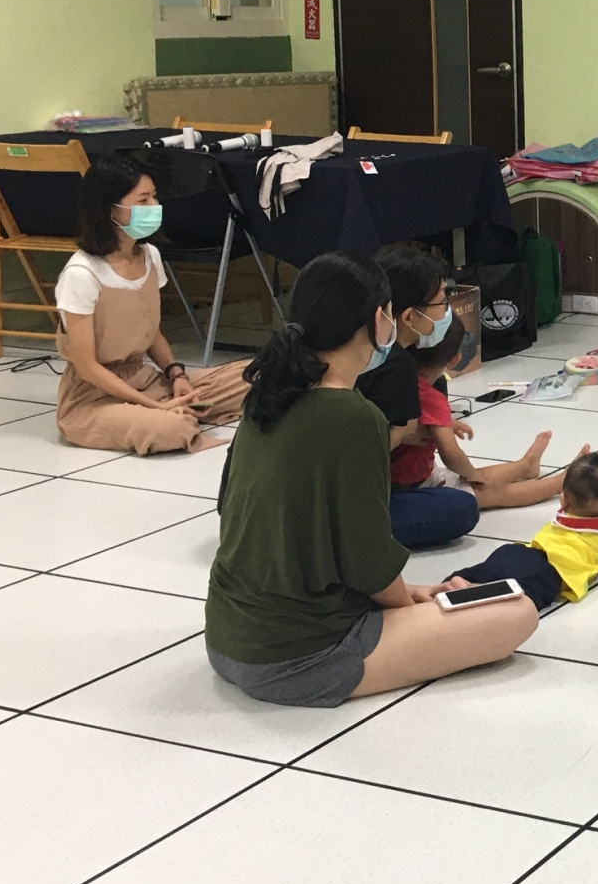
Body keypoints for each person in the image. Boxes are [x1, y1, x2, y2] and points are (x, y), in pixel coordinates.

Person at [205, 252, 535, 707]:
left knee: (447, 598)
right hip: (298, 656)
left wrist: (412, 592)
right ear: (380, 320)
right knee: (518, 612)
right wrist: (409, 608)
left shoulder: (270, 391)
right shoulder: (352, 414)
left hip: (225, 636)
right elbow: (367, 556)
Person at [55, 154, 246, 454]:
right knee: (169, 428)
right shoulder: (81, 274)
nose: (154, 206)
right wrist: (153, 406)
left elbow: (151, 331)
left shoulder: (150, 256)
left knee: (256, 375)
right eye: (142, 200)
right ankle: (171, 415)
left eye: (154, 197)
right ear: (109, 210)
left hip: (146, 380)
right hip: (93, 398)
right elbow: (87, 367)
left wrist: (176, 376)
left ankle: (175, 408)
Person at [357, 243, 480, 547]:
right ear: (410, 317)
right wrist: (404, 433)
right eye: (442, 302)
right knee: (462, 507)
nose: (448, 310)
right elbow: (367, 457)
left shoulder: (365, 346)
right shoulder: (395, 366)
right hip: (348, 500)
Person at [395, 318, 574, 511]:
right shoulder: (433, 398)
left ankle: (525, 466)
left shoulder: (395, 386)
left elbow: (419, 419)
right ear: (455, 359)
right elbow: (451, 454)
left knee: (476, 478)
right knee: (487, 489)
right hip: (414, 486)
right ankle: (558, 483)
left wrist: (448, 423)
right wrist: (471, 473)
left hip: (400, 479)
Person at [443, 451, 598, 610]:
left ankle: (454, 582)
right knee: (516, 598)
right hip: (546, 573)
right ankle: (475, 591)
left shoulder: (563, 514)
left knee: (484, 570)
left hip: (517, 552)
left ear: (564, 499)